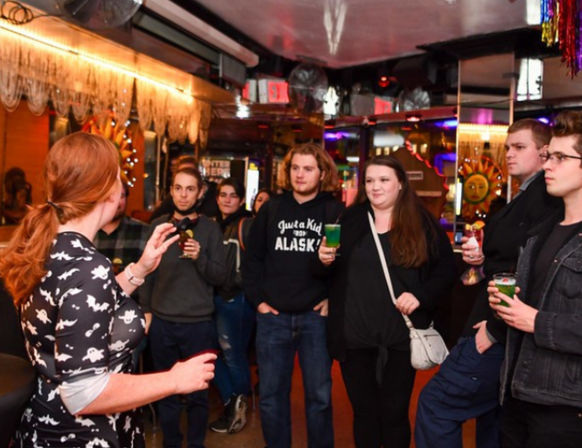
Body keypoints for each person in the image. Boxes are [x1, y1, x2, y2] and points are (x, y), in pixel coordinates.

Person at [0, 132, 216, 447]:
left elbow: (77, 306)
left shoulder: (49, 245)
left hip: (44, 426)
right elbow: (83, 394)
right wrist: (174, 379)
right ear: (105, 191)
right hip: (83, 436)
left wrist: (138, 269)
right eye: (117, 178)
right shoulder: (90, 267)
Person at [415, 119, 562, 448]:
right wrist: (481, 261)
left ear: (544, 153)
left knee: (436, 405)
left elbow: (531, 269)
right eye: (508, 147)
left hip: (496, 326)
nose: (509, 154)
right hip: (497, 322)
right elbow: (510, 258)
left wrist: (493, 330)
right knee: (494, 422)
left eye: (519, 147)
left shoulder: (545, 197)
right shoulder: (524, 195)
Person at [318, 155, 456, 448]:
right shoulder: (351, 219)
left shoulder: (421, 222)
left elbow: (446, 271)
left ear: (401, 184)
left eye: (383, 180)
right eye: (369, 181)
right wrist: (322, 260)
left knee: (394, 414)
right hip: (355, 336)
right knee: (364, 413)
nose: (375, 187)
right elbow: (328, 272)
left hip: (399, 337)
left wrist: (420, 295)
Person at [488, 111, 582, 447]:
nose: (547, 166)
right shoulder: (541, 233)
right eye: (548, 156)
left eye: (560, 157)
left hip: (565, 406)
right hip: (518, 392)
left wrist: (537, 321)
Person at [243, 142, 344, 448]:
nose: (300, 175)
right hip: (273, 317)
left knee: (320, 398)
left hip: (315, 318)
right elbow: (252, 260)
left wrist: (332, 300)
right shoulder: (272, 208)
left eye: (308, 169)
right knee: (272, 398)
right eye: (295, 168)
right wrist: (258, 301)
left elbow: (347, 266)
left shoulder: (335, 210)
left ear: (322, 172)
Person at [141, 166, 227, 448]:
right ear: (171, 191)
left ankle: (195, 444)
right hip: (163, 321)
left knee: (198, 395)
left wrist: (200, 256)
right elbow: (146, 272)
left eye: (190, 189)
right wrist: (147, 312)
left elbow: (220, 277)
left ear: (200, 192)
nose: (183, 194)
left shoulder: (211, 229)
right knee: (165, 391)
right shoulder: (159, 227)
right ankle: (171, 443)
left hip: (199, 323)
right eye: (178, 188)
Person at [208, 178, 255, 434]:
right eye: (223, 194)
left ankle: (238, 407)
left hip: (237, 299)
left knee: (233, 355)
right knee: (208, 352)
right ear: (217, 198)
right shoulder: (212, 225)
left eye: (232, 195)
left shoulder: (246, 224)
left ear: (240, 200)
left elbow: (256, 262)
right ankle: (233, 402)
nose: (227, 199)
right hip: (212, 297)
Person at [94, 180, 150, 370]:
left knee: (122, 364)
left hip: (129, 314)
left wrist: (147, 312)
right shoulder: (86, 233)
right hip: (91, 315)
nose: (117, 202)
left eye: (122, 196)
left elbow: (151, 279)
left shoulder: (142, 231)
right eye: (110, 197)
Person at [149, 155, 219, 222]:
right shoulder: (174, 196)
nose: (183, 194)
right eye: (183, 172)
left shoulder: (215, 190)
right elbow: (154, 219)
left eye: (190, 172)